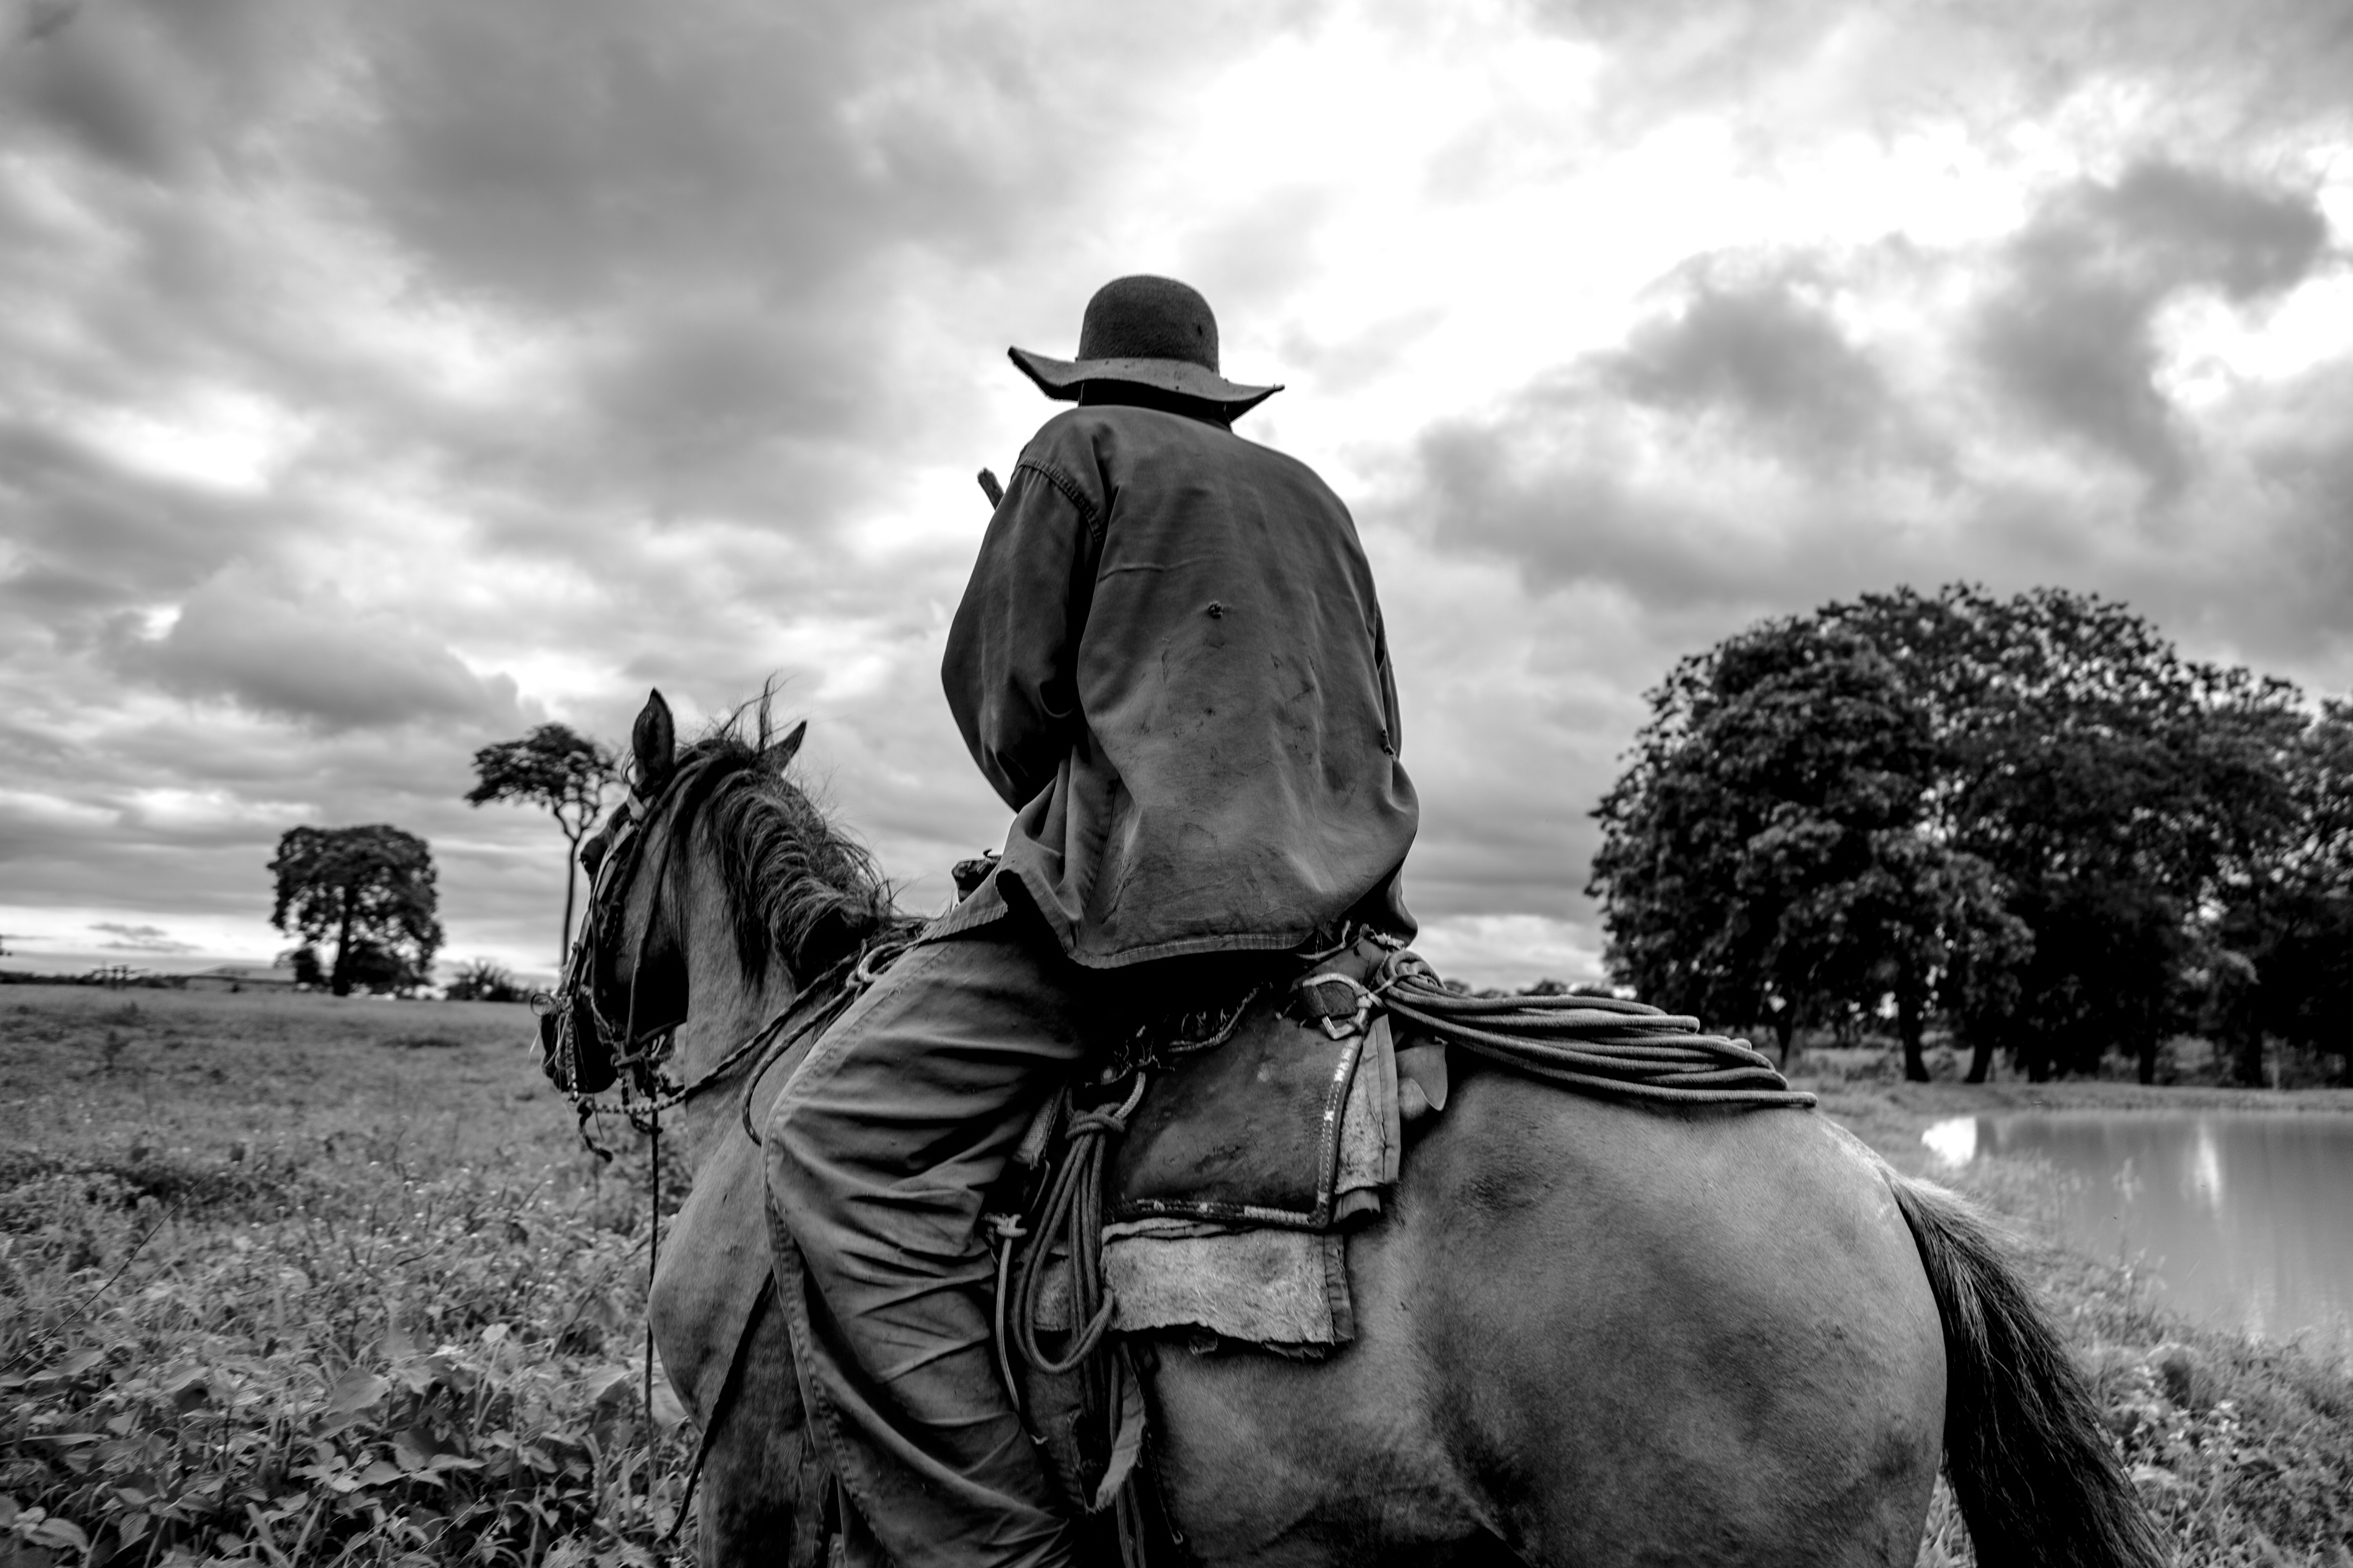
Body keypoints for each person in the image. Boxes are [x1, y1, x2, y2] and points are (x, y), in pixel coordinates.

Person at [765, 275, 1419, 1567]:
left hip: (1136, 906)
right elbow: (1373, 709)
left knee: (831, 1139)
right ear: (1213, 386)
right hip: (1340, 912)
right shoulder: (1315, 500)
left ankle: (996, 1543)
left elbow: (1009, 709)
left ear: (1088, 373)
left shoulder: (1073, 452)